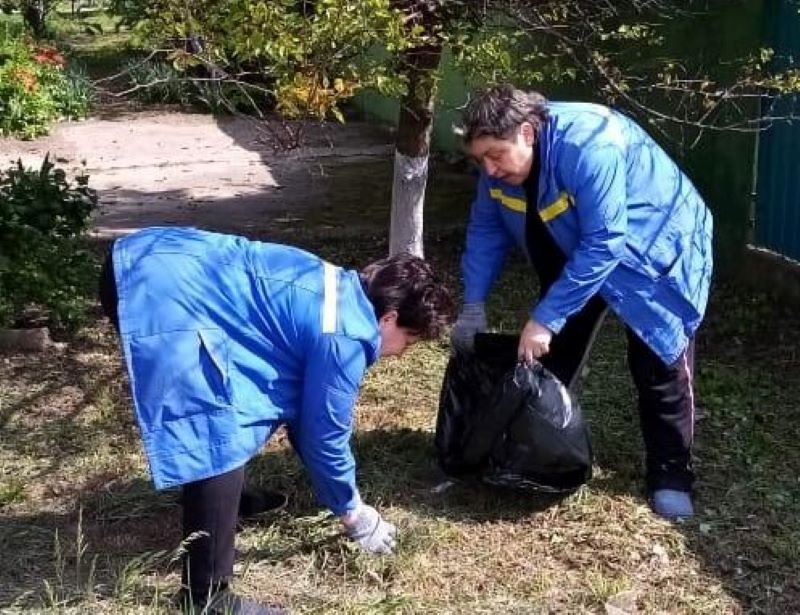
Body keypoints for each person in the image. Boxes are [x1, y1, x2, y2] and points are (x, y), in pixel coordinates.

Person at [98, 226, 453, 614]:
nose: (400, 354)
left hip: (151, 255)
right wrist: (354, 514)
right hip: (157, 287)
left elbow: (303, 411)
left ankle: (225, 503)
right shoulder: (345, 335)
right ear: (389, 318)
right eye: (409, 341)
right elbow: (324, 435)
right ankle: (207, 598)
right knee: (218, 424)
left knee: (248, 395)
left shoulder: (339, 289)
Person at [450, 85, 713, 521]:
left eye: (495, 155)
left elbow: (606, 241)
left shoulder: (590, 145)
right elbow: (485, 229)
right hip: (577, 246)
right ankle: (538, 446)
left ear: (528, 133)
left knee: (658, 362)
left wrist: (546, 317)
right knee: (548, 357)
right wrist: (474, 303)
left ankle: (671, 474)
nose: (489, 169)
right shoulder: (498, 166)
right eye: (480, 160)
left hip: (651, 249)